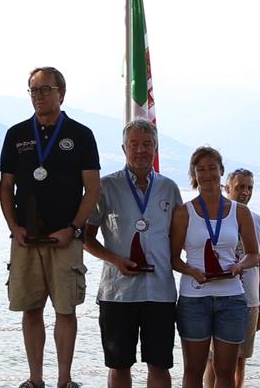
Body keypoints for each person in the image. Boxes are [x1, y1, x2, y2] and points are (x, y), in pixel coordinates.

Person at [0, 66, 101, 388]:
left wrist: (73, 229)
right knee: (30, 309)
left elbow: (93, 190)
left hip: (64, 238)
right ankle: (35, 379)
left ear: (62, 93)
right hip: (25, 238)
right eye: (34, 90)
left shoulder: (81, 134)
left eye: (46, 89)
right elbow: (5, 188)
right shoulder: (16, 134)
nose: (39, 96)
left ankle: (64, 380)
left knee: (65, 309)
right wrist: (14, 227)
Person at [84, 119, 182, 388]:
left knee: (160, 365)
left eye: (147, 145)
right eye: (134, 144)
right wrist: (115, 260)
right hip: (118, 293)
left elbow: (180, 239)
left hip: (160, 291)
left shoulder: (169, 188)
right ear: (123, 148)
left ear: (156, 148)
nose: (141, 150)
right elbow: (85, 238)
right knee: (118, 366)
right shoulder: (105, 187)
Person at [170, 146, 259, 388]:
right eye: (201, 169)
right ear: (194, 175)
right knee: (193, 371)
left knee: (225, 371)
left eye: (212, 168)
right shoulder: (183, 212)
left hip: (231, 298)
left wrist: (239, 266)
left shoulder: (240, 212)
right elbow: (173, 258)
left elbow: (253, 254)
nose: (207, 174)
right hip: (194, 298)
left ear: (221, 172)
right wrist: (191, 271)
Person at [204, 168, 260, 388]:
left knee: (240, 360)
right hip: (216, 298)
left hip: (248, 303)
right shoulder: (213, 220)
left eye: (249, 187)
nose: (245, 192)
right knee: (212, 360)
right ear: (227, 188)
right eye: (240, 187)